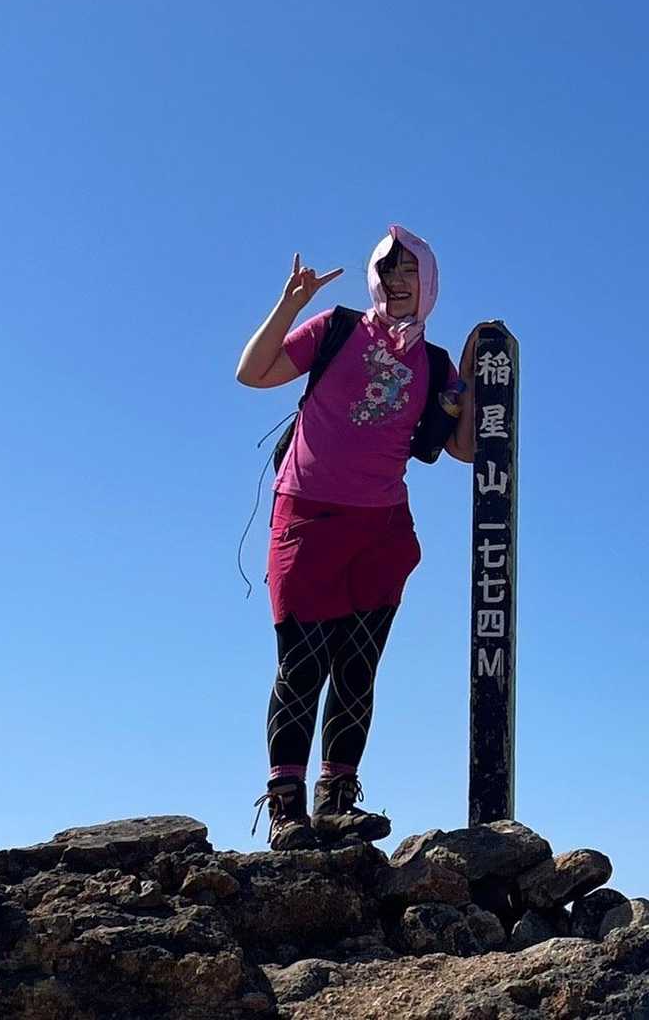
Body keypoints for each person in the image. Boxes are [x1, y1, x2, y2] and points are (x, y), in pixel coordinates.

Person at [235, 224, 478, 850]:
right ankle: (287, 810)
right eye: (388, 270)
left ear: (428, 282)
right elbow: (252, 373)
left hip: (382, 530)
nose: (397, 282)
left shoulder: (435, 364)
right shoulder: (336, 329)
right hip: (307, 517)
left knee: (357, 669)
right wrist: (291, 303)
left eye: (409, 271)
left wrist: (475, 381)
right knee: (302, 664)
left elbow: (462, 448)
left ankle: (336, 802)